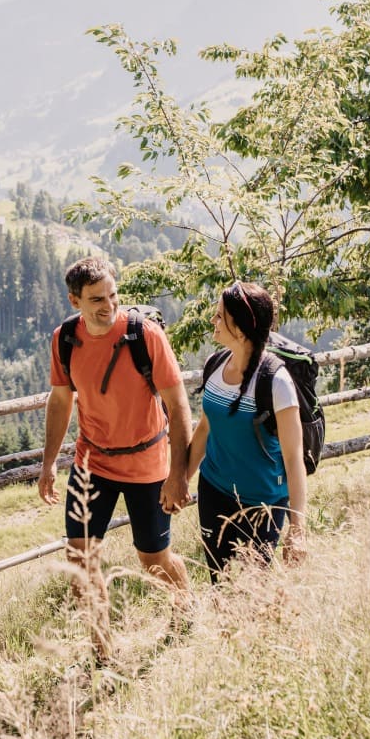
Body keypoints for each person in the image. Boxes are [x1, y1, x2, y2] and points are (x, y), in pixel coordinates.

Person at [38, 256, 192, 657]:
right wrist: (49, 462)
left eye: (112, 296)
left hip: (147, 463)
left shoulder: (146, 336)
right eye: (96, 300)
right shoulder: (65, 339)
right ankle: (102, 651)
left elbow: (178, 406)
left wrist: (179, 474)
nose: (108, 306)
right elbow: (60, 400)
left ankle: (185, 609)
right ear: (75, 301)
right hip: (93, 464)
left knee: (153, 559)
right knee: (79, 560)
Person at [187, 281, 307, 579]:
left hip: (262, 503)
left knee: (252, 588)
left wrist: (298, 527)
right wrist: (181, 479)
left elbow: (294, 459)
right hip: (213, 492)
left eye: (219, 316)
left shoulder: (276, 382)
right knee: (219, 581)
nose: (213, 321)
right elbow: (204, 430)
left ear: (239, 328)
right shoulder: (215, 366)